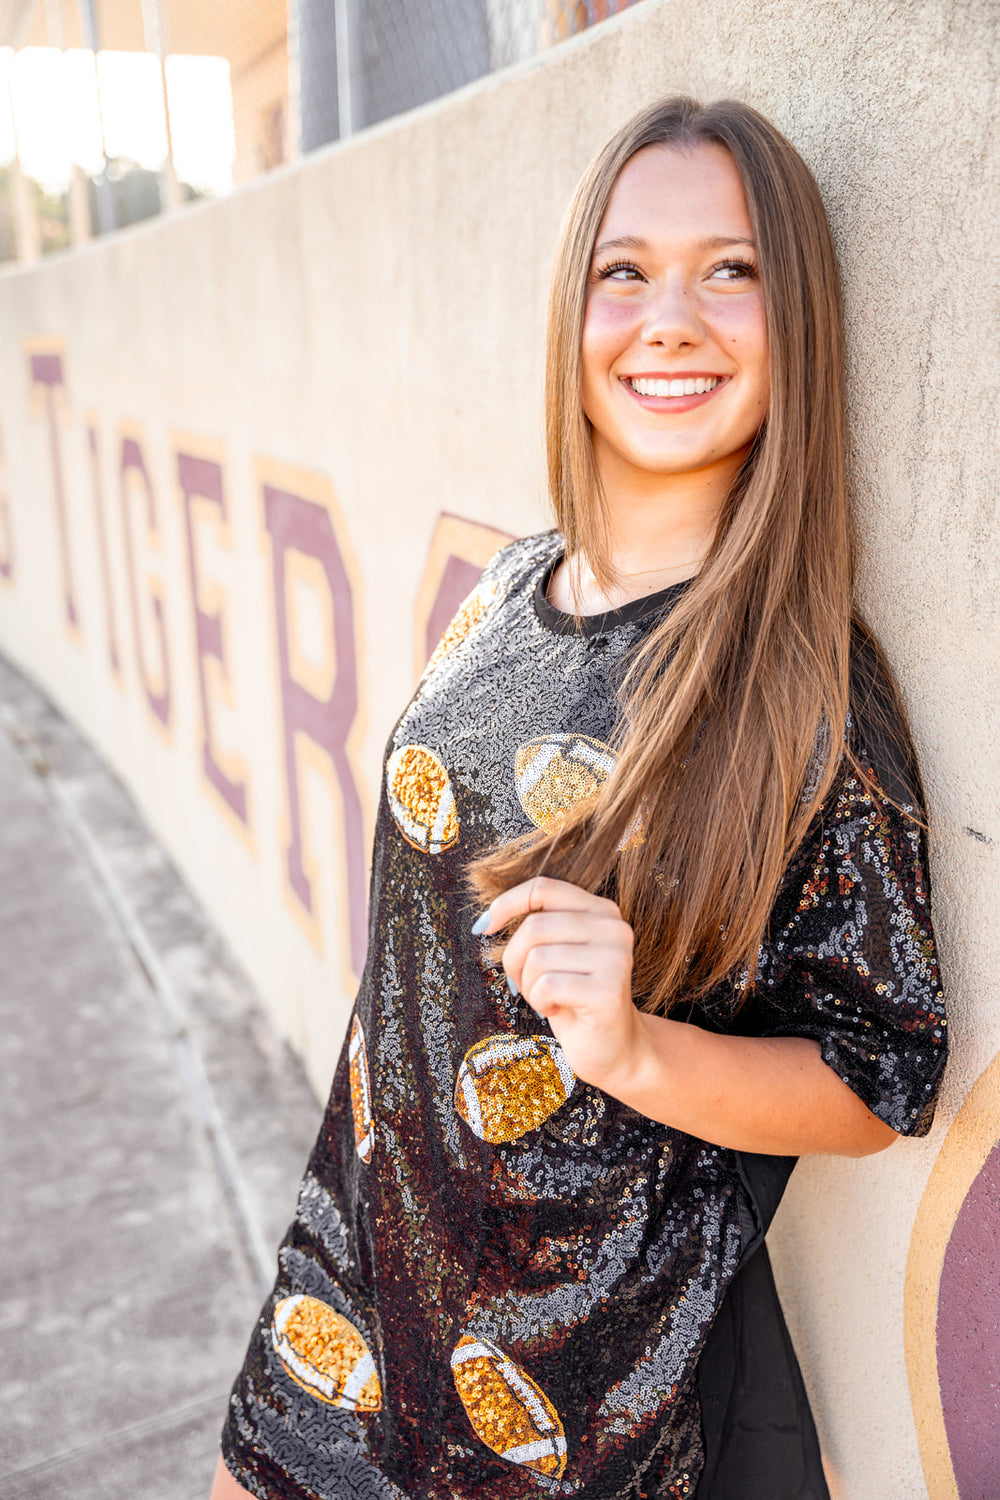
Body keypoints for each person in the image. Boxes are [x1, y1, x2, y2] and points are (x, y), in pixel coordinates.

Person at [211, 97, 947, 1500]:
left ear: (799, 329)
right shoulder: (507, 585)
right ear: (574, 313)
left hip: (581, 1386)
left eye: (734, 271)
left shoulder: (808, 696)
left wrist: (633, 1047)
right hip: (362, 1278)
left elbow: (877, 1080)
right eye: (628, 271)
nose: (673, 317)